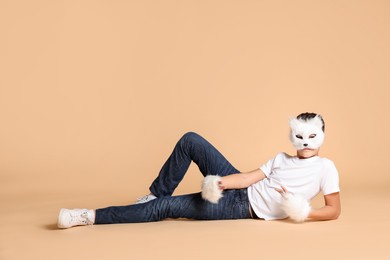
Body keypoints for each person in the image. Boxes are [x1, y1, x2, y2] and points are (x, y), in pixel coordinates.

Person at [57, 112, 341, 228]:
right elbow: (248, 178)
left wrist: (302, 210)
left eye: (311, 137)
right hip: (241, 190)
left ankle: (86, 216)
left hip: (243, 209)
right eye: (300, 136)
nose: (305, 143)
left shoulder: (326, 168)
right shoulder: (281, 158)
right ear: (293, 136)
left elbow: (334, 209)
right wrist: (223, 183)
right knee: (190, 139)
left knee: (165, 209)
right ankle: (155, 193)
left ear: (321, 136)